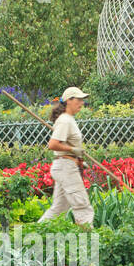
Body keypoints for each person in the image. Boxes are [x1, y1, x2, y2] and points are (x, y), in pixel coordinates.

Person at [38, 86, 94, 227]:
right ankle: (87, 242)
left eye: (83, 100)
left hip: (65, 166)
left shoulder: (68, 119)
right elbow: (53, 144)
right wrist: (73, 150)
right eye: (79, 100)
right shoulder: (64, 120)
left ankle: (35, 234)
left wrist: (77, 156)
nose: (82, 103)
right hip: (66, 167)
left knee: (59, 209)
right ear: (69, 100)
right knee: (82, 206)